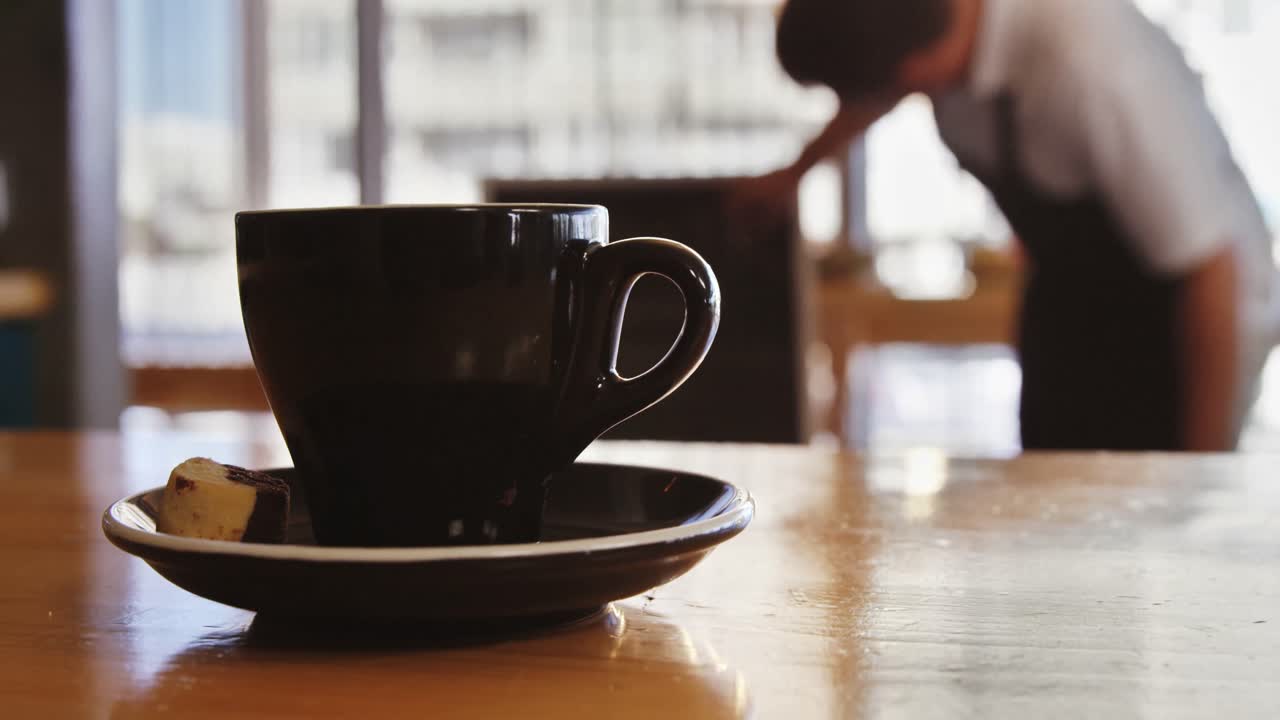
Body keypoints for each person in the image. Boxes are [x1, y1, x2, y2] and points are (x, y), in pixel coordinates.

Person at [743, 0, 1279, 451]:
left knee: (1150, 521)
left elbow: (1211, 268)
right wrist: (795, 172)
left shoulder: (1094, 65)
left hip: (1194, 316)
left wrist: (1199, 476)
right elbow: (875, 91)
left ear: (915, 69)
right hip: (1075, 296)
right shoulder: (922, 28)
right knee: (1050, 497)